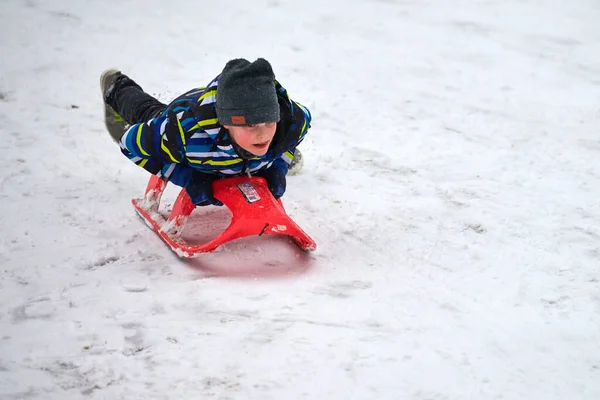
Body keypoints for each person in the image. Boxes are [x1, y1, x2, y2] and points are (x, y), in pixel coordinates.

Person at [100, 58, 311, 206]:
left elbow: (292, 139)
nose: (263, 134)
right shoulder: (184, 134)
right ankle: (116, 87)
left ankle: (259, 158)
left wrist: (279, 165)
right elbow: (129, 145)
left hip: (232, 120)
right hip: (186, 116)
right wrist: (189, 176)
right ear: (227, 123)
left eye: (269, 122)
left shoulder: (292, 122)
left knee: (276, 144)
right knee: (148, 113)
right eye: (251, 125)